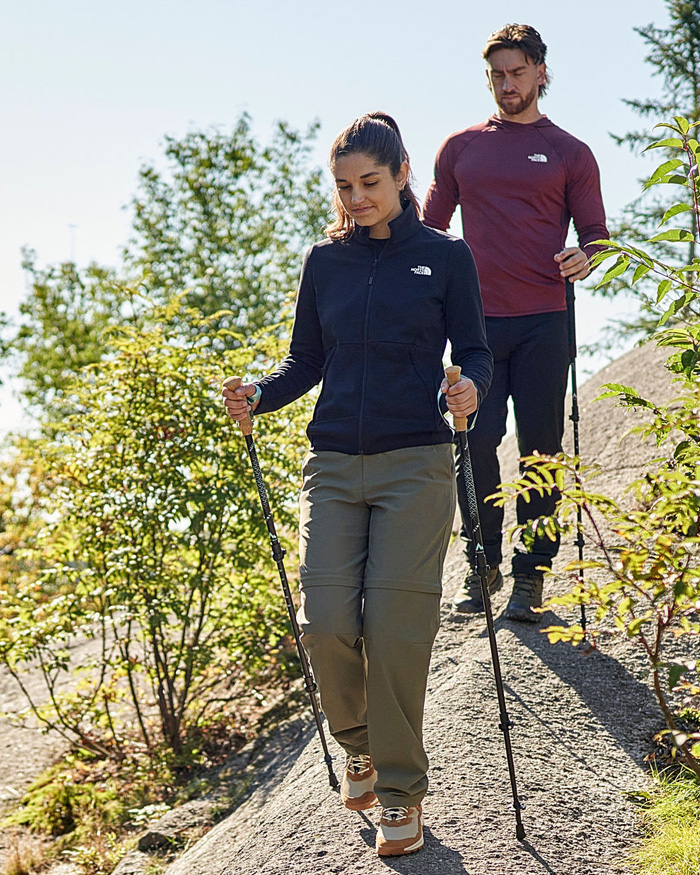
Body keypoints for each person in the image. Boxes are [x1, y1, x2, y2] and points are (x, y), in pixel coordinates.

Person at [222, 112, 492, 857]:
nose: (356, 198)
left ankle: (401, 792)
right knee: (325, 621)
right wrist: (259, 394)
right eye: (344, 187)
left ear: (403, 174)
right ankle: (360, 746)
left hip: (416, 464)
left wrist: (468, 388)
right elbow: (305, 359)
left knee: (396, 630)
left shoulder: (446, 257)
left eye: (370, 182)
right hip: (334, 465)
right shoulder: (325, 261)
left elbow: (474, 349)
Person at [423, 23, 609, 622]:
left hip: (545, 322)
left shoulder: (570, 152)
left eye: (517, 73)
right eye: (497, 75)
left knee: (540, 451)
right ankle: (482, 564)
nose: (507, 84)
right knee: (473, 442)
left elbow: (597, 235)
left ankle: (532, 574)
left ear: (540, 73)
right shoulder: (461, 147)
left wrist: (585, 256)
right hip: (475, 326)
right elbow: (428, 229)